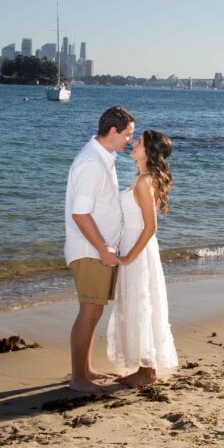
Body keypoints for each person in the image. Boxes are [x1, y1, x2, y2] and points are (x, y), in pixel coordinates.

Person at [65, 105, 136, 393]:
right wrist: (103, 248)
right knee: (89, 310)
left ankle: (87, 369)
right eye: (128, 134)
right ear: (112, 131)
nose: (131, 139)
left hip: (99, 249)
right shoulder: (91, 163)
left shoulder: (105, 157)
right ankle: (77, 378)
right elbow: (80, 214)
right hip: (90, 250)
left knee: (93, 311)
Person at [106, 129, 179, 387]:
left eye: (139, 142)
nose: (134, 143)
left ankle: (147, 372)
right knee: (140, 302)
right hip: (135, 246)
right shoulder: (144, 178)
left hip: (139, 250)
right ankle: (145, 367)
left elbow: (151, 227)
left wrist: (127, 259)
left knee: (140, 302)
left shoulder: (143, 181)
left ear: (149, 151)